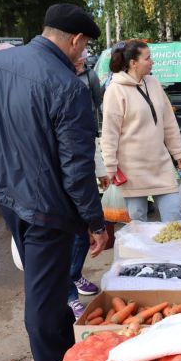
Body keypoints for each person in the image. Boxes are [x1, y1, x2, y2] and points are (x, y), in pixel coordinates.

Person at [0, 3, 108, 361]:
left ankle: (63, 355)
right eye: (84, 47)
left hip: (6, 194)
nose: (83, 55)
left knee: (43, 283)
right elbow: (77, 170)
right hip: (47, 206)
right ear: (75, 40)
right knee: (44, 301)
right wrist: (95, 223)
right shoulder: (67, 87)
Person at [100, 40, 181, 222]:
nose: (152, 61)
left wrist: (177, 151)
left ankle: (177, 251)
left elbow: (168, 121)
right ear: (133, 63)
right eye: (147, 58)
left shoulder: (153, 83)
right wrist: (110, 166)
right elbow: (109, 133)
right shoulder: (115, 91)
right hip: (132, 170)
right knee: (138, 224)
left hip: (160, 165)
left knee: (175, 217)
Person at [66, 49, 110, 319]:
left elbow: (88, 130)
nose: (82, 58)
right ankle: (69, 294)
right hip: (62, 179)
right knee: (69, 235)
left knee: (83, 233)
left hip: (83, 163)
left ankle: (74, 274)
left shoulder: (89, 78)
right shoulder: (55, 84)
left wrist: (101, 167)